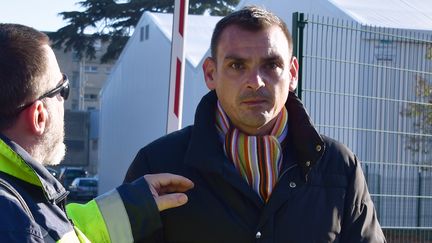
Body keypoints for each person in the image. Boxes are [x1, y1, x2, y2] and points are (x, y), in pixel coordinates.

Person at [124, 6, 387, 242]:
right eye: (237, 65)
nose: (256, 81)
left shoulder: (338, 166)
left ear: (293, 74)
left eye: (271, 65)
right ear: (210, 74)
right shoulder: (158, 165)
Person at [0, 23, 193, 242]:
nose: (64, 100)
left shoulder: (16, 209)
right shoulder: (14, 224)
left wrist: (132, 206)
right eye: (62, 89)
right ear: (39, 117)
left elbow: (52, 231)